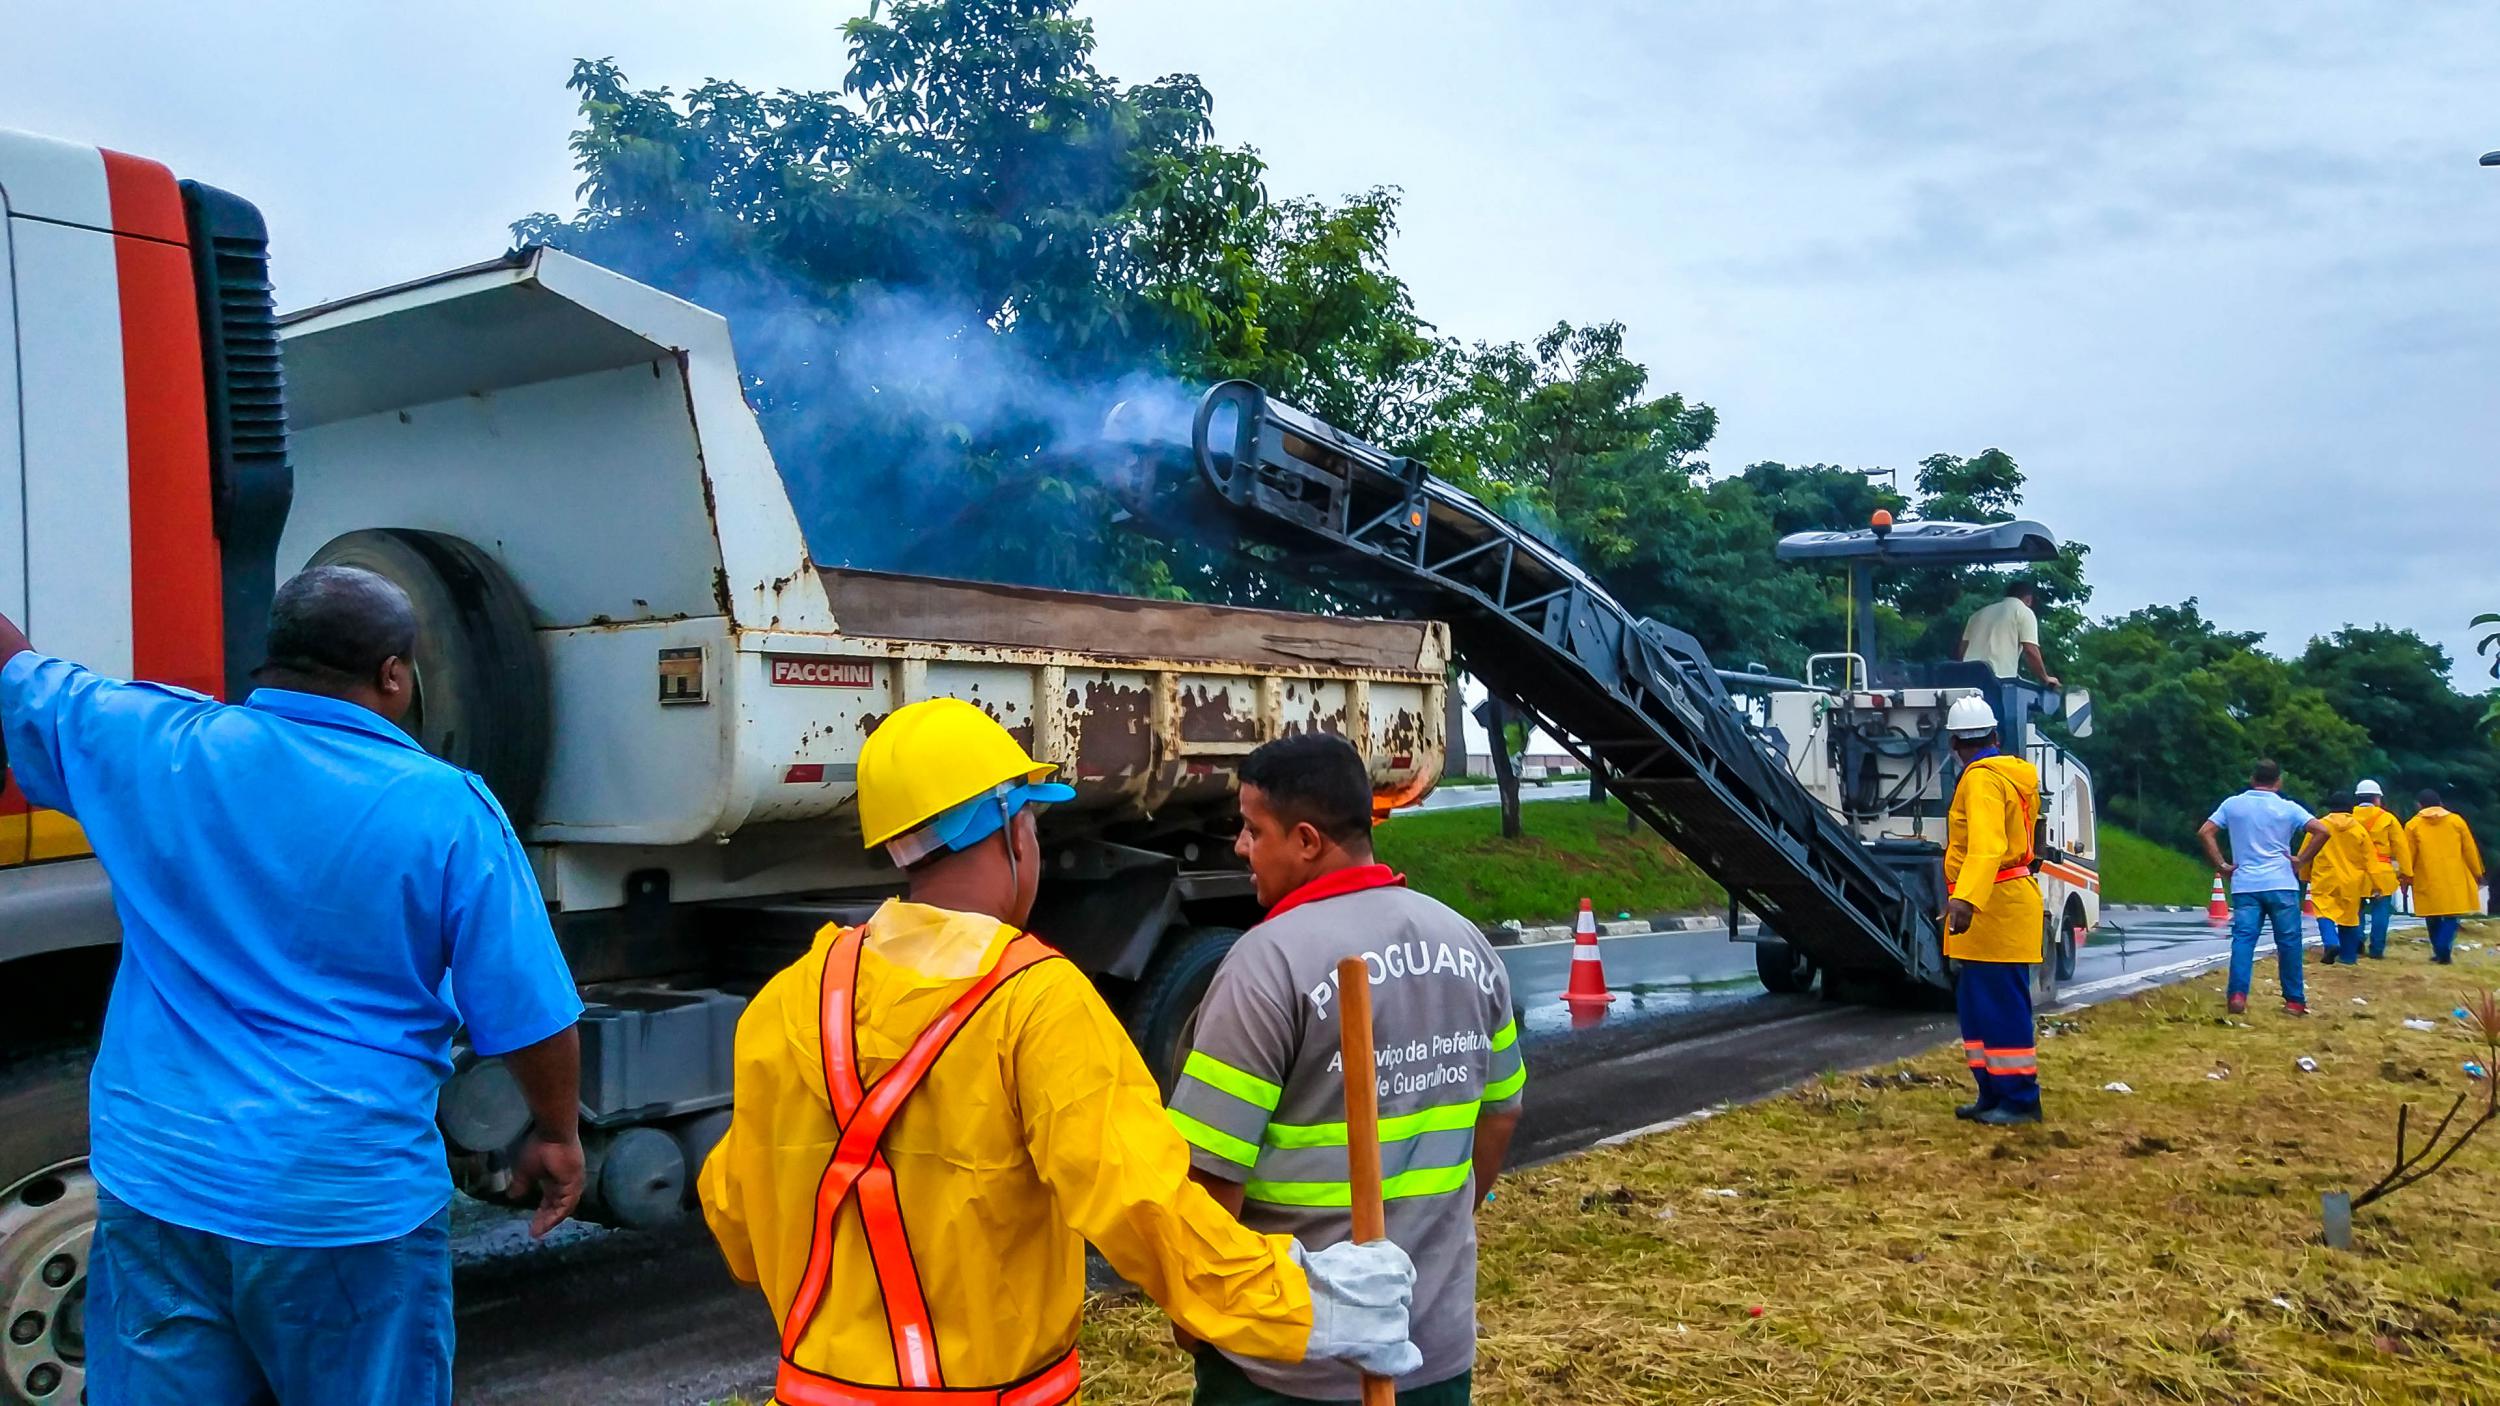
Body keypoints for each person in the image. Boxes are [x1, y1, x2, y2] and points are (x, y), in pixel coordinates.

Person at [697, 699, 1418, 1406]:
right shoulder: (1036, 1003)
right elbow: (1149, 1211)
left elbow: (737, 1226)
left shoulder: (792, 1001)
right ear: (1014, 832)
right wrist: (1309, 1306)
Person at [0, 569, 586, 1404]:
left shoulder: (151, 742)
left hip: (162, 1182)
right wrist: (556, 1132)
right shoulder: (449, 811)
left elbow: (16, 669)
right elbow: (530, 1018)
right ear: (393, 674)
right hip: (343, 1204)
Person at [1169, 733, 1525, 1405]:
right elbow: (1501, 1113)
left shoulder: (1264, 966)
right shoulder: (1466, 945)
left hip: (1285, 1366)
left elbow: (1209, 1176)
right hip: (1433, 1352)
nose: (1241, 847)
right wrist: (1433, 1229)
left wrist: (1196, 1317)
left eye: (1253, 829)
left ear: (1307, 840)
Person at [1940, 696, 2047, 1126]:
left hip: (1994, 906)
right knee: (1980, 1007)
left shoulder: (1980, 780)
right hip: (2000, 904)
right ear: (1995, 737)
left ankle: (2019, 1100)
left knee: (2000, 1008)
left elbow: (1987, 847)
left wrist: (1965, 900)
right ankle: (1992, 1092)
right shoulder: (2014, 774)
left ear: (1953, 743)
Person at [2198, 760, 2327, 1015]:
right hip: (2282, 883)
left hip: (2245, 884)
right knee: (2289, 942)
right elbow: (2321, 830)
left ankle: (2237, 995)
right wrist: (2301, 860)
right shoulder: (2288, 808)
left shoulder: (2233, 804)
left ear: (2252, 778)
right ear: (2278, 781)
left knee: (2244, 940)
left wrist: (2222, 865)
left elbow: (2205, 832)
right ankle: (2294, 1001)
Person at [2405, 789, 2485, 964]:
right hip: (2454, 877)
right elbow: (2469, 849)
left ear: (2419, 805)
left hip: (2427, 876)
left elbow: (2409, 854)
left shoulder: (2413, 825)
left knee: (2432, 915)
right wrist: (2477, 872)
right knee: (2451, 916)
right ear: (2440, 803)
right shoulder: (2456, 821)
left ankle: (2439, 950)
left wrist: (2406, 875)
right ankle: (2443, 948)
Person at [2298, 792, 2375, 972]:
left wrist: (2304, 875)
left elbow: (2306, 853)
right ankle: (2348, 958)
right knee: (2349, 918)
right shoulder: (2359, 829)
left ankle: (2331, 942)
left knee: (2324, 911)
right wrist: (2375, 883)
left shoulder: (2320, 825)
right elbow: (2369, 858)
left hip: (2325, 876)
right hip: (2352, 880)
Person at [1954, 580, 2059, 690]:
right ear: (2029, 599)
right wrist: (2045, 678)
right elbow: (2031, 650)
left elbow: (1962, 650)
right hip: (1997, 680)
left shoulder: (1977, 614)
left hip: (1967, 679)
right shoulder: (2023, 611)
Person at [2351, 779, 2412, 960]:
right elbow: (2401, 847)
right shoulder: (2388, 818)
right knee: (2380, 911)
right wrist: (2406, 873)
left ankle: (2356, 942)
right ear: (2377, 798)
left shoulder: (2349, 817)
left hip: (2356, 870)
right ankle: (2377, 949)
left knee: (2356, 910)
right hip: (2382, 871)